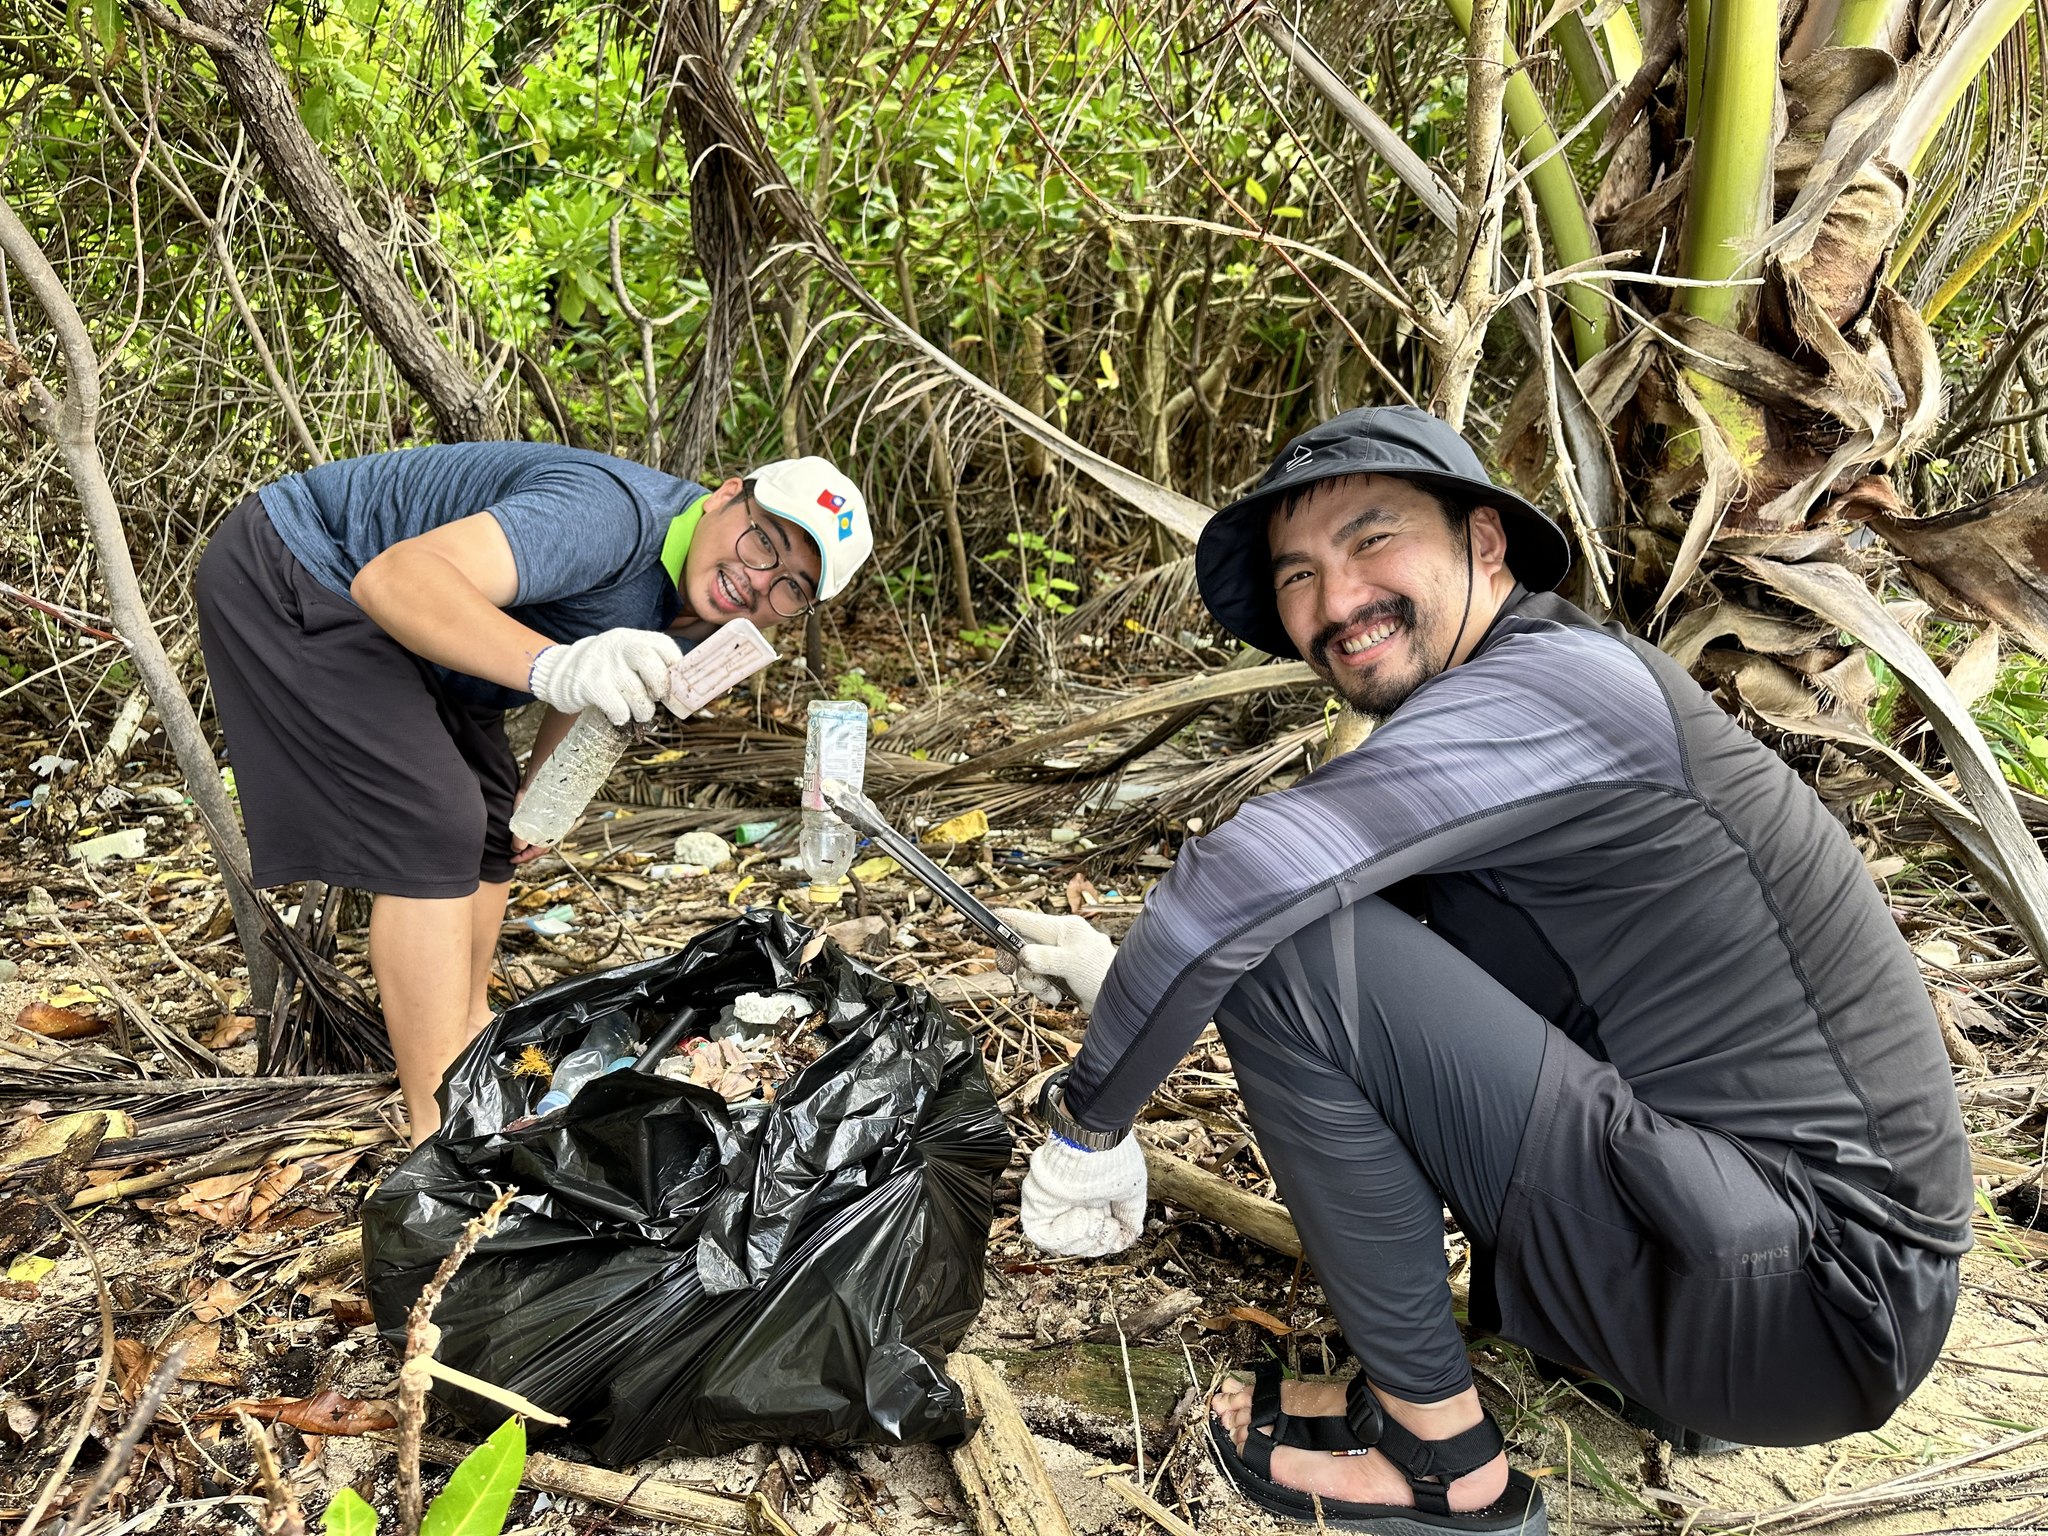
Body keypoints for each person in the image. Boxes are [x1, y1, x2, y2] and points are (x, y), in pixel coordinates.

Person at [998, 406, 1970, 1536]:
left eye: (1373, 542)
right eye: (1297, 574)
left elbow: (1242, 888)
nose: (1333, 600)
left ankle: (1437, 1464)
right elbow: (1405, 981)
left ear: (1486, 544)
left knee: (1292, 955)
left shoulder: (1563, 686)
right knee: (1319, 927)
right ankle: (1548, 1373)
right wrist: (1123, 976)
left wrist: (1087, 1128)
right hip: (1771, 1267)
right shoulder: (1524, 702)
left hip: (1811, 1300)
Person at [195, 444, 872, 1141]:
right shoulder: (607, 516)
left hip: (406, 631)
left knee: (494, 819)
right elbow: (397, 578)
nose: (759, 581)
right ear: (726, 495)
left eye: (793, 585)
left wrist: (545, 799)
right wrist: (553, 667)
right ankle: (438, 1134)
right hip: (302, 569)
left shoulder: (706, 604)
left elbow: (596, 669)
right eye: (764, 539)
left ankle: (465, 1035)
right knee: (434, 821)